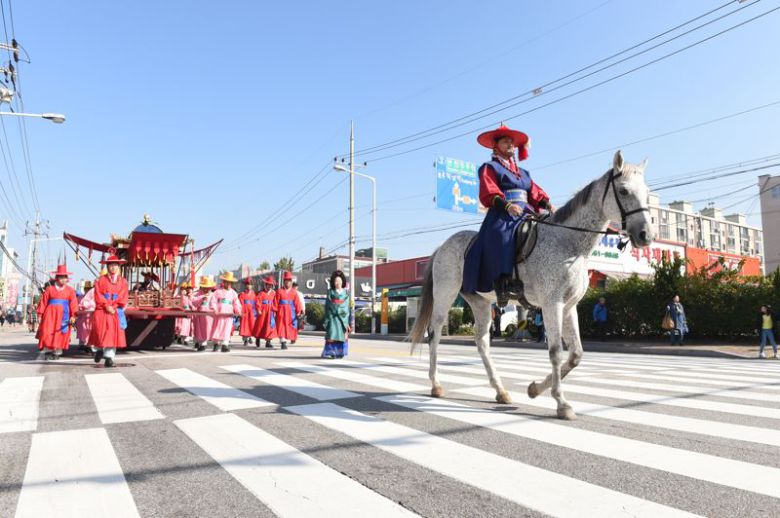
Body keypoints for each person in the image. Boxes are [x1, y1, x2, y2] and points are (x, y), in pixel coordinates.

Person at [462, 124, 552, 307]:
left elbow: (534, 192)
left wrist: (547, 204)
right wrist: (507, 205)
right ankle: (503, 283)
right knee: (500, 235)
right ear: (496, 147)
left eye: (512, 142)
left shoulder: (524, 173)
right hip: (503, 211)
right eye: (506, 141)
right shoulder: (490, 167)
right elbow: (489, 191)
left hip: (526, 210)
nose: (511, 144)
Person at [89, 255, 129, 368]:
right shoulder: (100, 280)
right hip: (102, 310)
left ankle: (109, 358)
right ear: (107, 267)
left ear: (119, 267)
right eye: (111, 265)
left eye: (115, 265)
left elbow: (123, 296)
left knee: (112, 334)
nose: (113, 268)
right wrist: (106, 305)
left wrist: (114, 306)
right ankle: (98, 350)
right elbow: (98, 294)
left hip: (114, 311)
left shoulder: (123, 282)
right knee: (99, 332)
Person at [36, 264, 79, 360]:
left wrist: (73, 315)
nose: (63, 279)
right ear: (57, 278)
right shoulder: (49, 289)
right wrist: (40, 314)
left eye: (65, 277)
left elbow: (74, 304)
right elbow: (43, 302)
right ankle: (48, 350)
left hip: (64, 314)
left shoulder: (70, 290)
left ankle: (57, 352)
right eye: (61, 277)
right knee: (48, 331)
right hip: (50, 314)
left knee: (60, 332)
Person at [322, 270, 351, 359]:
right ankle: (332, 352)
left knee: (341, 335)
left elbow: (346, 305)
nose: (338, 283)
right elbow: (328, 303)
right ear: (333, 282)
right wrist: (334, 310)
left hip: (342, 316)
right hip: (332, 316)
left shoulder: (346, 293)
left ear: (342, 282)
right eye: (336, 281)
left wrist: (340, 311)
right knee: (332, 334)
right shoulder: (330, 292)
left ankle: (340, 352)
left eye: (339, 281)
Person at [210, 272, 242, 352]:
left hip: (229, 314)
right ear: (223, 282)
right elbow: (213, 301)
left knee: (227, 329)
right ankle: (216, 344)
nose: (227, 283)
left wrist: (238, 311)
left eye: (229, 282)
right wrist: (215, 309)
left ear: (231, 283)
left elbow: (236, 303)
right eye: (226, 281)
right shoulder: (217, 292)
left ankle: (225, 344)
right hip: (219, 313)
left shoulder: (233, 293)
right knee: (217, 328)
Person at [275, 271, 302, 350]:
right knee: (281, 327)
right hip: (281, 312)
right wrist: (274, 312)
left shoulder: (294, 292)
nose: (288, 282)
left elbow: (297, 303)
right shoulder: (279, 291)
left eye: (289, 281)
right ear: (284, 282)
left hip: (290, 313)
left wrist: (298, 312)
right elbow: (275, 302)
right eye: (286, 280)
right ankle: (283, 342)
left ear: (291, 282)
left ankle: (290, 338)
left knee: (290, 327)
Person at [191, 276, 216, 352]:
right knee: (200, 330)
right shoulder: (198, 294)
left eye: (208, 287)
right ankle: (202, 344)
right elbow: (194, 302)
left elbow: (216, 304)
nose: (206, 289)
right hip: (200, 315)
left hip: (210, 315)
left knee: (209, 329)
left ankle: (214, 343)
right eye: (205, 287)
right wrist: (201, 299)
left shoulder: (213, 295)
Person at [253, 276, 278, 348]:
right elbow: (258, 302)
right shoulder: (261, 293)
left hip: (270, 312)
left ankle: (268, 341)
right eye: (268, 285)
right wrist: (259, 309)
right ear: (265, 285)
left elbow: (275, 303)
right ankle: (257, 338)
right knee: (260, 325)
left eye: (271, 285)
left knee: (269, 326)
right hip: (263, 311)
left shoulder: (274, 293)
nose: (269, 286)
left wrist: (275, 310)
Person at [76, 280, 96, 349]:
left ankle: (89, 345)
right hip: (82, 316)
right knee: (83, 330)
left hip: (91, 316)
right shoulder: (80, 297)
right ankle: (83, 344)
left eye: (88, 288)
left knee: (89, 330)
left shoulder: (94, 295)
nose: (87, 290)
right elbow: (79, 306)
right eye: (86, 288)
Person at [238, 278, 257, 346]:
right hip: (245, 312)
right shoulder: (242, 294)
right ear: (245, 285)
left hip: (252, 312)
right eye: (248, 284)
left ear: (252, 286)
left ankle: (249, 337)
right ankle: (245, 339)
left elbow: (255, 303)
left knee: (251, 325)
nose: (249, 286)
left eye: (250, 285)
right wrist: (241, 312)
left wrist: (255, 312)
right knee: (245, 325)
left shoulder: (254, 294)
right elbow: (240, 303)